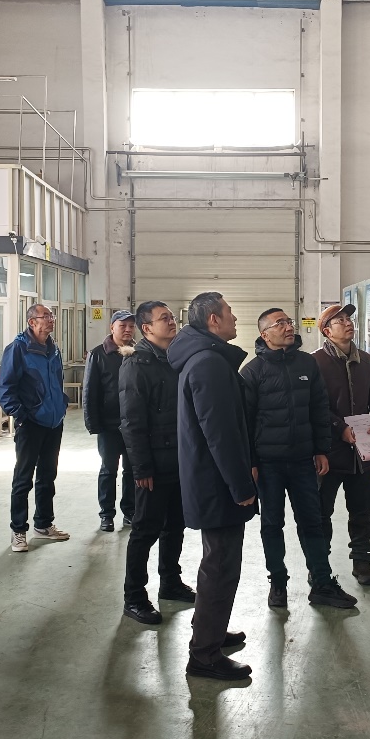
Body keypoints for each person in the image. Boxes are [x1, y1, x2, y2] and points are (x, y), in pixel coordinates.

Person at [241, 308, 356, 611]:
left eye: (289, 321)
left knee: (312, 522)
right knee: (272, 524)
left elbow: (319, 408)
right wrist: (251, 462)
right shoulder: (252, 372)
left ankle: (322, 583)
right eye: (280, 323)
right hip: (268, 464)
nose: (288, 327)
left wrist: (321, 449)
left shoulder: (307, 364)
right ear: (265, 334)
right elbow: (245, 422)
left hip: (304, 460)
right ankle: (278, 582)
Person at [167, 292, 256, 681]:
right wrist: (241, 485)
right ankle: (204, 655)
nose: (235, 318)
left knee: (217, 562)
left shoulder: (204, 358)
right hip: (217, 482)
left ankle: (211, 631)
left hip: (210, 478)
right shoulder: (208, 364)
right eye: (230, 313)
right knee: (220, 566)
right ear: (213, 321)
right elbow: (221, 434)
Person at [118, 301, 196, 625]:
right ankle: (134, 597)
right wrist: (141, 468)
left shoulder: (175, 358)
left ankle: (170, 582)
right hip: (153, 464)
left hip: (178, 459)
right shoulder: (136, 364)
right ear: (147, 328)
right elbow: (131, 421)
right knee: (145, 530)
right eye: (164, 318)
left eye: (172, 317)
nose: (171, 322)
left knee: (175, 524)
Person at [312, 303, 370, 587]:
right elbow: (314, 405)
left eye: (349, 319)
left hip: (362, 454)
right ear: (326, 331)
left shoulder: (364, 360)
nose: (348, 323)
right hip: (330, 453)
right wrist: (339, 428)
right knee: (322, 513)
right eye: (340, 320)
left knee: (362, 510)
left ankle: (362, 561)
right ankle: (320, 567)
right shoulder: (316, 362)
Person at [0, 303, 70, 553]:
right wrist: (22, 416)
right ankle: (18, 530)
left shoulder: (53, 348)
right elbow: (6, 388)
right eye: (45, 316)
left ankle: (43, 524)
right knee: (23, 478)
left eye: (52, 316)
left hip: (54, 421)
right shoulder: (18, 348)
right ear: (32, 322)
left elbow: (56, 381)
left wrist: (61, 405)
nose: (51, 320)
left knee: (48, 475)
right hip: (31, 423)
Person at [84, 310, 137, 532]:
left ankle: (130, 512)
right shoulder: (98, 355)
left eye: (131, 326)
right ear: (112, 327)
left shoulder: (138, 353)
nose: (127, 330)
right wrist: (93, 423)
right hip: (109, 425)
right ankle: (106, 514)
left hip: (133, 424)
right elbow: (90, 391)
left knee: (132, 470)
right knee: (108, 470)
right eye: (122, 326)